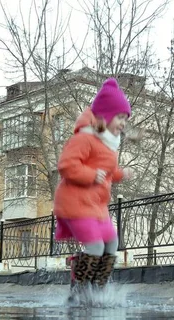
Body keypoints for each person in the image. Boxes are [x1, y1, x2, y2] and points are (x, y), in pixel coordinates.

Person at [53, 77, 135, 304]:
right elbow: (66, 165)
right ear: (105, 116)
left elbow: (106, 171)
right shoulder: (84, 138)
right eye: (120, 117)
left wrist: (120, 174)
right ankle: (79, 291)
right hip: (75, 203)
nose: (123, 124)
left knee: (112, 243)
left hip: (95, 206)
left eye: (125, 119)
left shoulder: (108, 145)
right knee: (96, 245)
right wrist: (90, 175)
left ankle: (96, 291)